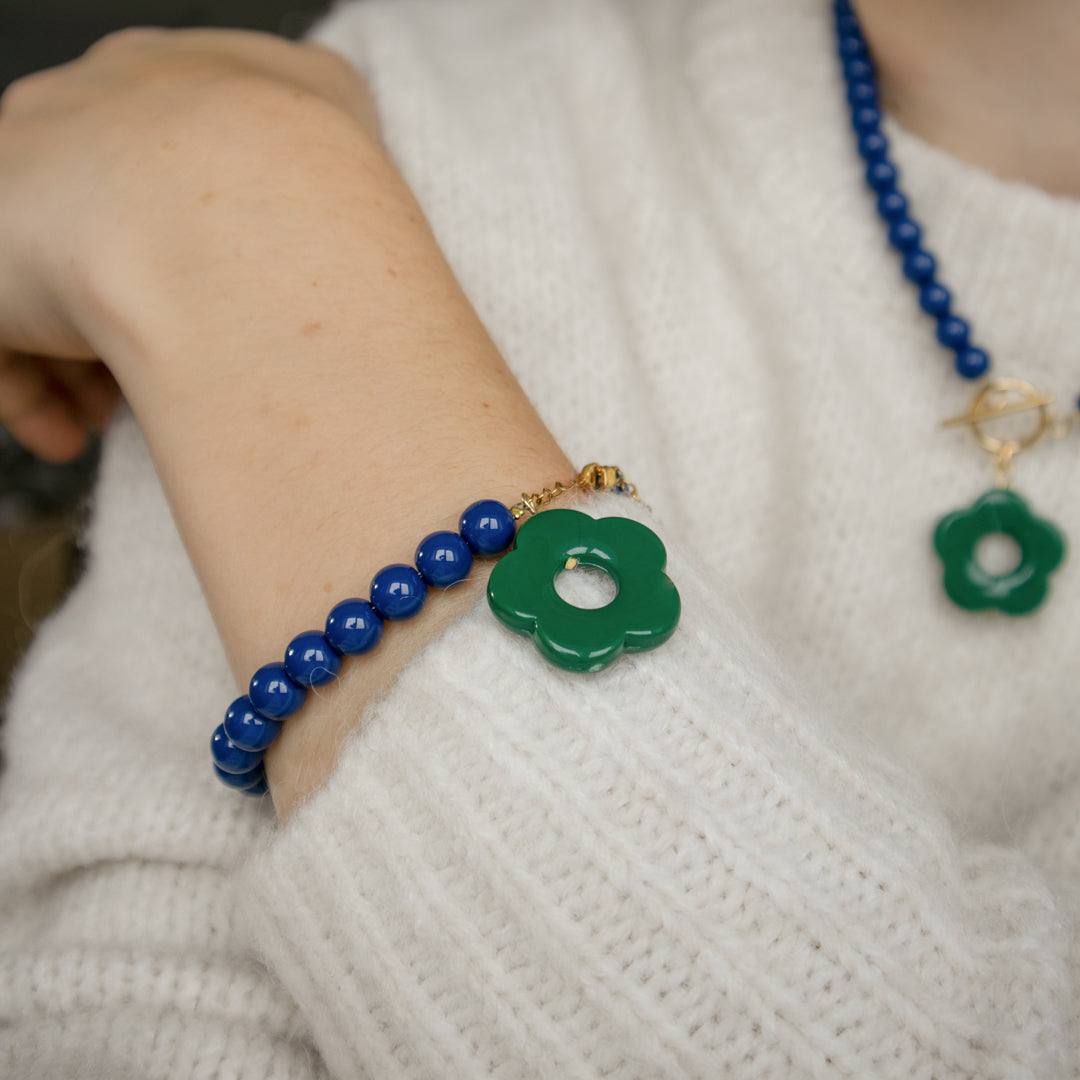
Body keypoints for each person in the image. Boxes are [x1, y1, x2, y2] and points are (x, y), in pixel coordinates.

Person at [0, 0, 1076, 1075]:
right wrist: (244, 186)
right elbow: (119, 1007)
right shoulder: (397, 104)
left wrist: (249, 257)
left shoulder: (240, 163)